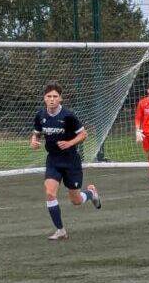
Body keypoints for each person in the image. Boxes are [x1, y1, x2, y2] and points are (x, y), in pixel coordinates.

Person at [31, 82, 100, 240]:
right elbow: (36, 133)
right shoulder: (40, 115)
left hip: (71, 161)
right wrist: (33, 141)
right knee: (49, 193)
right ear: (44, 98)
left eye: (55, 96)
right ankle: (60, 230)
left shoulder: (68, 116)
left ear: (60, 98)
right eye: (49, 96)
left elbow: (83, 134)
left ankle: (91, 193)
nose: (52, 99)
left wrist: (69, 143)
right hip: (53, 160)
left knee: (76, 200)